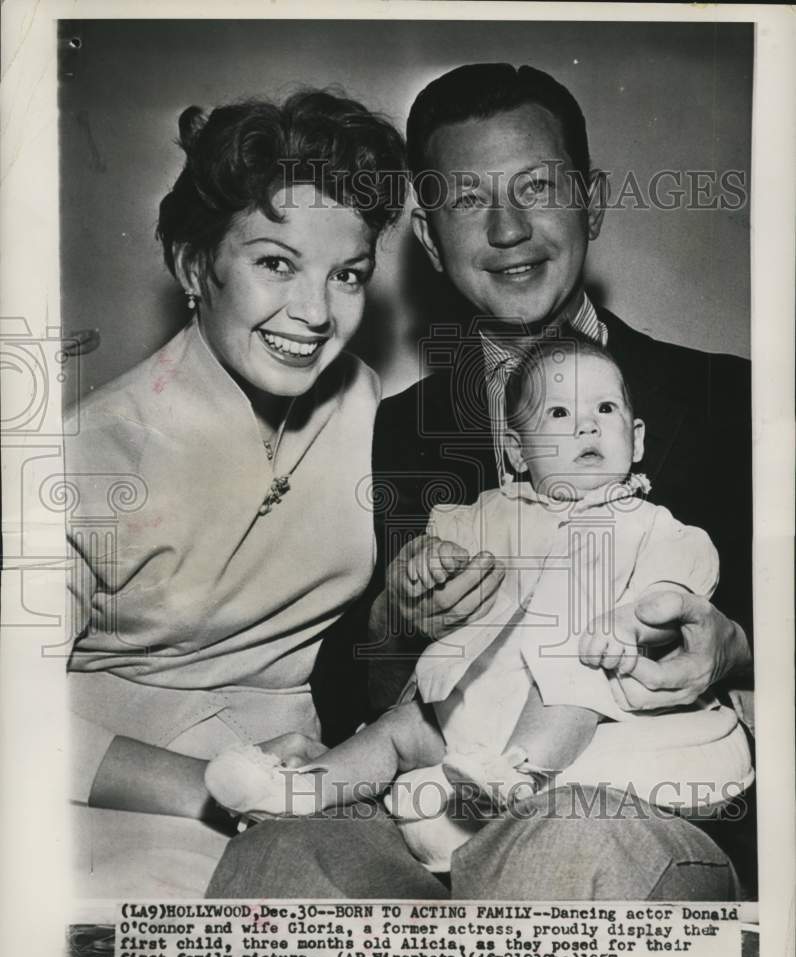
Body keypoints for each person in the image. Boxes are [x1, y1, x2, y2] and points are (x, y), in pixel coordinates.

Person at [208, 64, 754, 901]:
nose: (508, 229)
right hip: (434, 791)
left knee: (572, 853)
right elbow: (342, 683)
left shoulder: (733, 400)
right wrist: (397, 620)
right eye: (467, 199)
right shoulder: (385, 428)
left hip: (636, 795)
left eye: (537, 187)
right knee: (281, 861)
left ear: (593, 200)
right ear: (429, 237)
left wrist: (731, 648)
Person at [203, 335, 752, 879]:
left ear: (634, 440)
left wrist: (629, 621)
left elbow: (673, 588)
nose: (586, 425)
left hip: (582, 701)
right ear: (517, 450)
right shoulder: (488, 513)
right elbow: (431, 557)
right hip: (472, 708)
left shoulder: (650, 524)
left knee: (571, 674)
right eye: (559, 412)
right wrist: (424, 568)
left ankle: (516, 775)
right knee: (398, 728)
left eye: (604, 409)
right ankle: (295, 790)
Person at [65, 90, 406, 898]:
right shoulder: (86, 454)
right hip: (116, 800)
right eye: (275, 263)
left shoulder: (363, 404)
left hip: (306, 796)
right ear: (194, 265)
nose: (315, 313)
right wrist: (214, 788)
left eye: (346, 275)